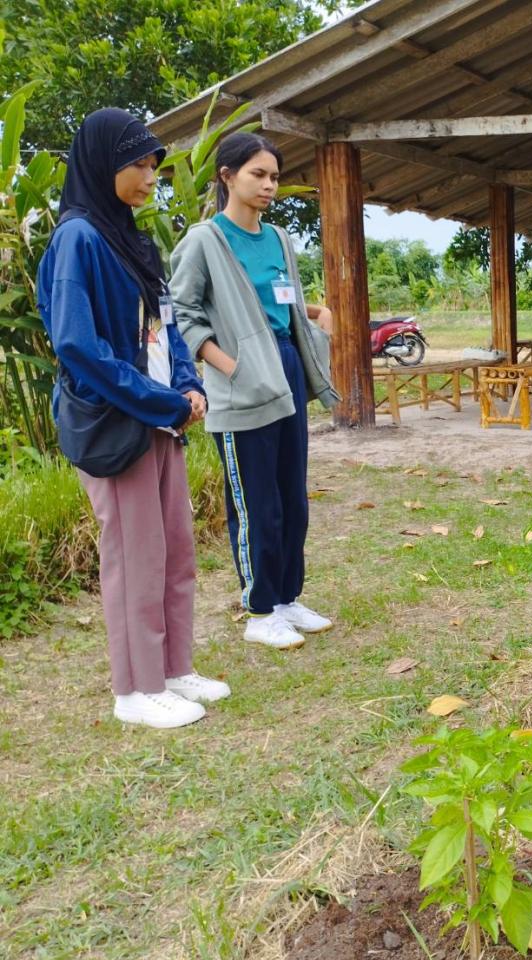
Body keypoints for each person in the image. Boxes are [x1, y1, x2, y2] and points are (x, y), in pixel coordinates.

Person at [37, 108, 229, 729]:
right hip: (116, 424)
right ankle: (136, 689)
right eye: (139, 164)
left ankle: (173, 669)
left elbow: (165, 325)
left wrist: (188, 384)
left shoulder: (133, 241)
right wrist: (160, 400)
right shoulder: (78, 239)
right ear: (103, 164)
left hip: (159, 419)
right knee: (136, 556)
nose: (151, 177)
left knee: (174, 549)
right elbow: (78, 346)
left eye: (154, 165)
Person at [171, 132, 338, 650]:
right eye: (258, 174)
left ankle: (287, 598)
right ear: (227, 176)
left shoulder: (279, 239)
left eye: (274, 177)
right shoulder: (205, 240)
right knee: (256, 502)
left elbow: (286, 301)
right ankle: (259, 609)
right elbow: (182, 312)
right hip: (241, 382)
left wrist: (320, 320)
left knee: (292, 497)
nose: (269, 185)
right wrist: (229, 366)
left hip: (285, 370)